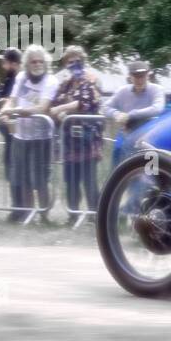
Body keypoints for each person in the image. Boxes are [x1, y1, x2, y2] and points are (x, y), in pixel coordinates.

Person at [0, 44, 58, 222]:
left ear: (45, 62)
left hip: (42, 137)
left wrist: (14, 111)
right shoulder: (21, 77)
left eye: (40, 61)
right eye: (33, 61)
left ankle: (44, 216)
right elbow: (12, 99)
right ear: (27, 63)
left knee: (40, 180)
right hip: (20, 135)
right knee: (23, 178)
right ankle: (28, 214)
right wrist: (5, 111)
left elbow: (42, 107)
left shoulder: (51, 80)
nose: (37, 64)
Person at [50, 48, 104, 223]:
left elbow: (83, 101)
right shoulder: (65, 84)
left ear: (83, 61)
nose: (74, 65)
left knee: (89, 181)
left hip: (88, 139)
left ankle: (95, 217)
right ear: (65, 64)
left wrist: (61, 109)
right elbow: (54, 102)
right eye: (70, 62)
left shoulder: (90, 80)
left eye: (77, 61)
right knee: (71, 181)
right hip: (69, 142)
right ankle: (72, 215)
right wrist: (59, 111)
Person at [103, 60, 165, 163]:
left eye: (142, 76)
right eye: (136, 76)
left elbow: (158, 108)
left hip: (149, 135)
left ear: (148, 75)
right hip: (127, 133)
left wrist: (131, 114)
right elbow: (104, 107)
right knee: (119, 158)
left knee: (150, 167)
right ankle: (120, 177)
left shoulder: (156, 89)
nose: (139, 80)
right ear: (130, 76)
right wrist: (116, 114)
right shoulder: (122, 91)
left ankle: (150, 178)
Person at [0, 47, 22, 178]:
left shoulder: (21, 80)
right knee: (9, 165)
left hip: (19, 130)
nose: (3, 66)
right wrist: (0, 101)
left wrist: (5, 102)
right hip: (9, 130)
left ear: (13, 64)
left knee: (16, 168)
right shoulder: (9, 79)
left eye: (4, 62)